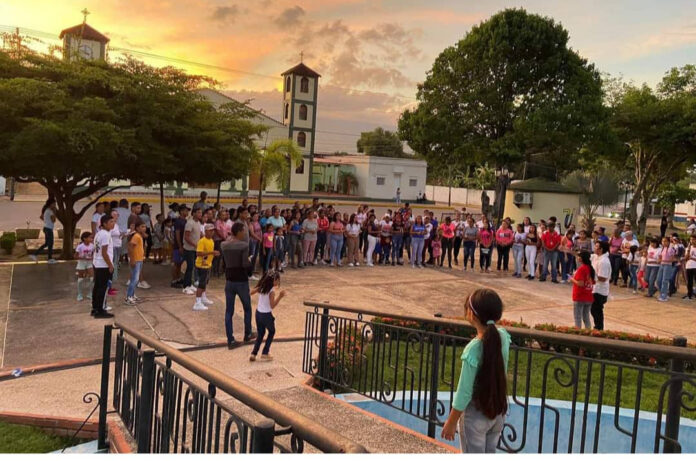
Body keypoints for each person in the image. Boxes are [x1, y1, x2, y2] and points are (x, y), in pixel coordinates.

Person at [441, 289, 510, 453]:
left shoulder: (473, 349)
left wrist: (451, 422)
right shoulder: (503, 337)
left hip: (476, 415)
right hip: (497, 412)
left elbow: (464, 392)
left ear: (471, 314)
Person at [221, 222, 257, 348]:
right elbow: (244, 264)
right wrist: (250, 263)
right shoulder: (243, 245)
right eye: (244, 230)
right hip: (241, 280)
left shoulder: (224, 245)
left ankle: (230, 339)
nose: (245, 233)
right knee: (247, 308)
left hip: (229, 279)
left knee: (229, 311)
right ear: (240, 231)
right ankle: (247, 334)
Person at [249, 271, 286, 362]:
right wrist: (280, 296)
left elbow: (251, 292)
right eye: (278, 280)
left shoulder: (262, 287)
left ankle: (254, 353)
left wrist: (258, 288)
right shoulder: (271, 291)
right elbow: (272, 305)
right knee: (272, 331)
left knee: (260, 334)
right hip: (266, 315)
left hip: (258, 313)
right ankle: (265, 352)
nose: (278, 282)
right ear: (274, 280)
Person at [91, 215, 115, 319]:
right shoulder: (105, 235)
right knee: (103, 288)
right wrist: (110, 265)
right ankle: (100, 310)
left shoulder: (98, 234)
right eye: (111, 222)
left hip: (97, 263)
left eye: (113, 222)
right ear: (104, 223)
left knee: (97, 287)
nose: (113, 224)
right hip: (103, 265)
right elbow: (104, 252)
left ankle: (95, 308)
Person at [193, 224, 219, 311]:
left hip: (207, 265)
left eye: (213, 230)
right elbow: (198, 253)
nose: (212, 232)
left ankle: (203, 298)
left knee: (204, 283)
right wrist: (211, 252)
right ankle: (197, 302)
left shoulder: (211, 240)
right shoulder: (202, 241)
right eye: (210, 230)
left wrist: (213, 254)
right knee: (201, 284)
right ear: (206, 231)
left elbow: (209, 253)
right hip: (201, 265)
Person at [570, 251, 595, 329]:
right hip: (588, 295)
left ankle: (578, 333)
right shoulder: (590, 268)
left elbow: (581, 283)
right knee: (586, 317)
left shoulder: (582, 269)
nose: (577, 258)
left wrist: (572, 279)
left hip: (580, 296)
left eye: (578, 256)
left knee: (578, 317)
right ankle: (588, 332)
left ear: (581, 258)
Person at [591, 240, 611, 330]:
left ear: (601, 249)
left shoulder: (604, 261)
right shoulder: (596, 256)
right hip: (595, 288)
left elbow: (603, 278)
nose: (594, 248)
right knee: (593, 309)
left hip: (600, 291)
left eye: (596, 247)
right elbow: (585, 256)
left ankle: (599, 328)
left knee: (597, 310)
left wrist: (591, 275)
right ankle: (598, 327)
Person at [182, 208, 203, 295]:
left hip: (195, 249)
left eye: (201, 213)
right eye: (198, 212)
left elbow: (199, 234)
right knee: (189, 267)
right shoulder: (189, 223)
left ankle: (190, 284)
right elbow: (186, 237)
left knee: (193, 267)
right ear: (193, 213)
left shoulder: (198, 223)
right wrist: (194, 245)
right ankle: (185, 286)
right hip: (189, 249)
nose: (200, 214)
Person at [125, 220, 146, 306]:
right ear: (137, 228)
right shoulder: (136, 236)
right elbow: (130, 247)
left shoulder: (139, 236)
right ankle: (128, 296)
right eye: (142, 227)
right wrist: (132, 259)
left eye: (144, 226)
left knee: (136, 279)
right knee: (134, 279)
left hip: (139, 259)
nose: (144, 228)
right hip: (136, 260)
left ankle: (132, 295)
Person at [31, 198, 57, 263]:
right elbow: (54, 220)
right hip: (48, 229)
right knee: (50, 244)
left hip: (46, 228)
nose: (55, 205)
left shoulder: (46, 210)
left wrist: (46, 221)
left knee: (47, 244)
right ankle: (49, 259)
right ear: (51, 204)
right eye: (54, 204)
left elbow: (41, 217)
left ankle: (36, 255)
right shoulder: (50, 211)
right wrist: (54, 212)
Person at [74, 232, 94, 302]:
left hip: (89, 263)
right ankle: (79, 294)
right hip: (81, 263)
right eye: (89, 237)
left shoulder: (92, 246)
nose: (91, 239)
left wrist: (92, 258)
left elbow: (94, 254)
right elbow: (75, 256)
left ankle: (90, 293)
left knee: (92, 278)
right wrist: (83, 258)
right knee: (80, 279)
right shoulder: (80, 246)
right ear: (84, 239)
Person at [656, 236, 677, 302]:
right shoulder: (662, 248)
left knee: (665, 280)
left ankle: (664, 296)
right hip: (662, 265)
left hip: (667, 266)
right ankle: (662, 292)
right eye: (662, 241)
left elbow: (672, 259)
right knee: (658, 280)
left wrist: (665, 260)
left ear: (668, 242)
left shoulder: (671, 249)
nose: (663, 243)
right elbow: (660, 257)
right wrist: (659, 260)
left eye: (665, 241)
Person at [684, 235, 696, 300]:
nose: (692, 241)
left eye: (693, 239)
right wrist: (688, 252)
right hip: (689, 266)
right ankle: (689, 294)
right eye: (691, 240)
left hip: (695, 267)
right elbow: (686, 258)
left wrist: (691, 258)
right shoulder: (688, 248)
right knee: (689, 281)